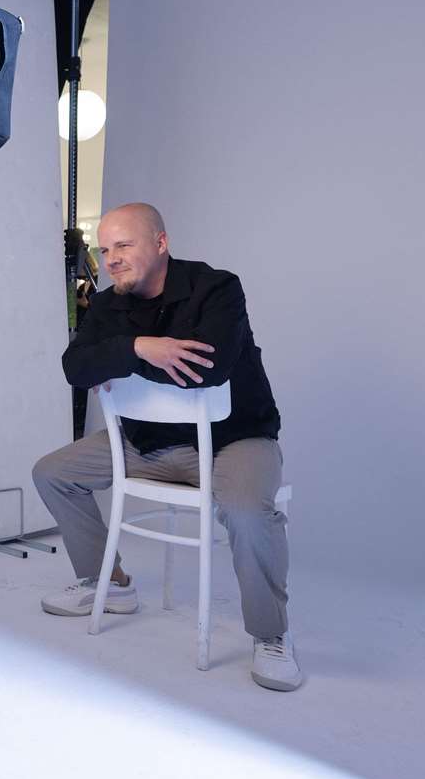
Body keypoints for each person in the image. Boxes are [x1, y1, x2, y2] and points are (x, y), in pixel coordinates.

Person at [31, 203, 300, 691]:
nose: (111, 259)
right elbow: (75, 369)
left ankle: (271, 636)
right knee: (53, 472)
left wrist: (116, 363)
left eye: (124, 246)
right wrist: (139, 348)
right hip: (148, 445)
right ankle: (110, 585)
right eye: (105, 249)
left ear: (160, 243)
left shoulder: (217, 288)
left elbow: (207, 370)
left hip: (232, 441)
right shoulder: (110, 304)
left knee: (245, 510)